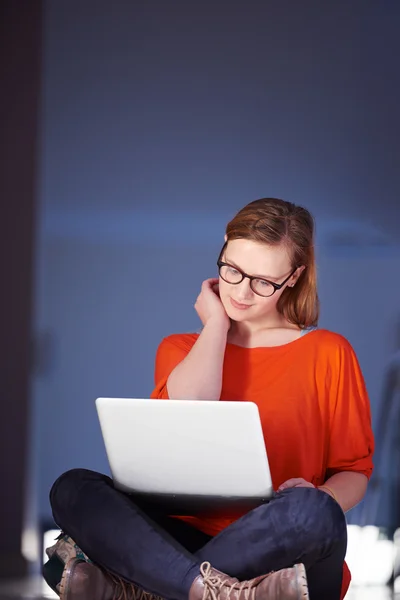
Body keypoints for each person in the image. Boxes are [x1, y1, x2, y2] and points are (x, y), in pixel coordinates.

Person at [44, 198, 374, 600]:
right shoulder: (180, 349)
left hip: (279, 546)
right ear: (223, 248)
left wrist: (318, 495)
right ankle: (211, 591)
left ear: (294, 277)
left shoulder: (329, 352)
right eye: (232, 271)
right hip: (177, 539)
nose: (242, 293)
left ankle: (151, 588)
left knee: (316, 512)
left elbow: (354, 471)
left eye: (263, 282)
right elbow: (190, 409)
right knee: (72, 488)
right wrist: (216, 325)